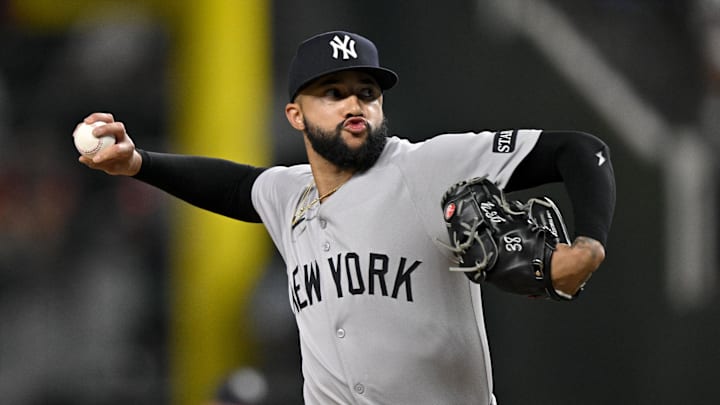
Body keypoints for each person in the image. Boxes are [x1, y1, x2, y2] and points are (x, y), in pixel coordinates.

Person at [76, 31, 615, 405]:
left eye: (367, 92)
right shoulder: (291, 195)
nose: (354, 104)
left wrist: (588, 245)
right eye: (332, 93)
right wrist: (138, 163)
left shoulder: (425, 168)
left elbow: (582, 150)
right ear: (296, 115)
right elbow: (236, 186)